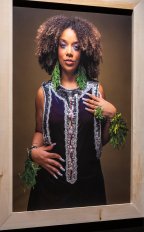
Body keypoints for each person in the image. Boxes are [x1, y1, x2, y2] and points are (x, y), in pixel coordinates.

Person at [19, 15, 127, 210]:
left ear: (84, 51)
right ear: (54, 48)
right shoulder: (43, 93)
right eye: (63, 45)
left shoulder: (96, 90)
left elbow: (100, 140)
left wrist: (113, 114)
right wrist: (33, 152)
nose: (69, 52)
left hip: (89, 188)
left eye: (76, 47)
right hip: (49, 189)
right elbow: (39, 131)